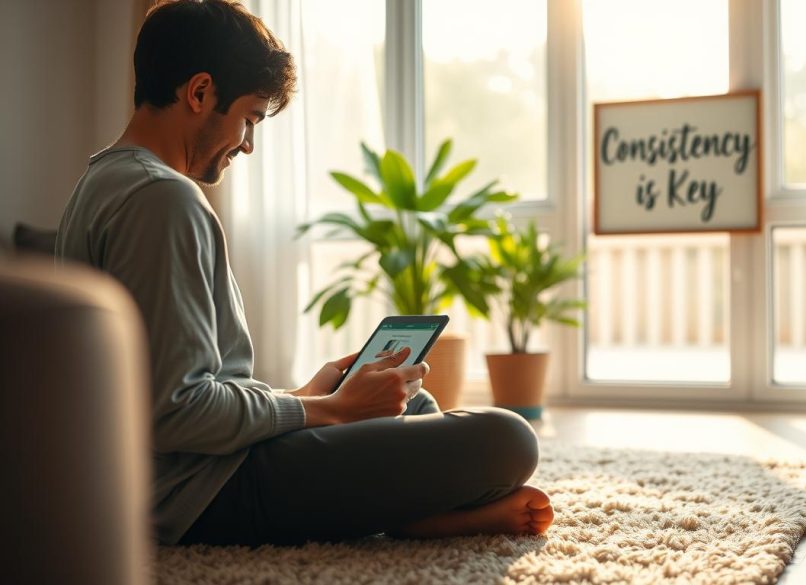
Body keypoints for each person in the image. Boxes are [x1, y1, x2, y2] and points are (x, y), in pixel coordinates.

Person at [55, 0, 553, 547]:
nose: (246, 143)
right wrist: (329, 410)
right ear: (199, 93)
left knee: (402, 396)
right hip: (199, 493)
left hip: (191, 469)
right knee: (508, 438)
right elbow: (177, 413)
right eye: (248, 119)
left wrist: (305, 398)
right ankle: (414, 515)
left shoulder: (102, 182)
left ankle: (413, 511)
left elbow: (169, 392)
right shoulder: (163, 198)